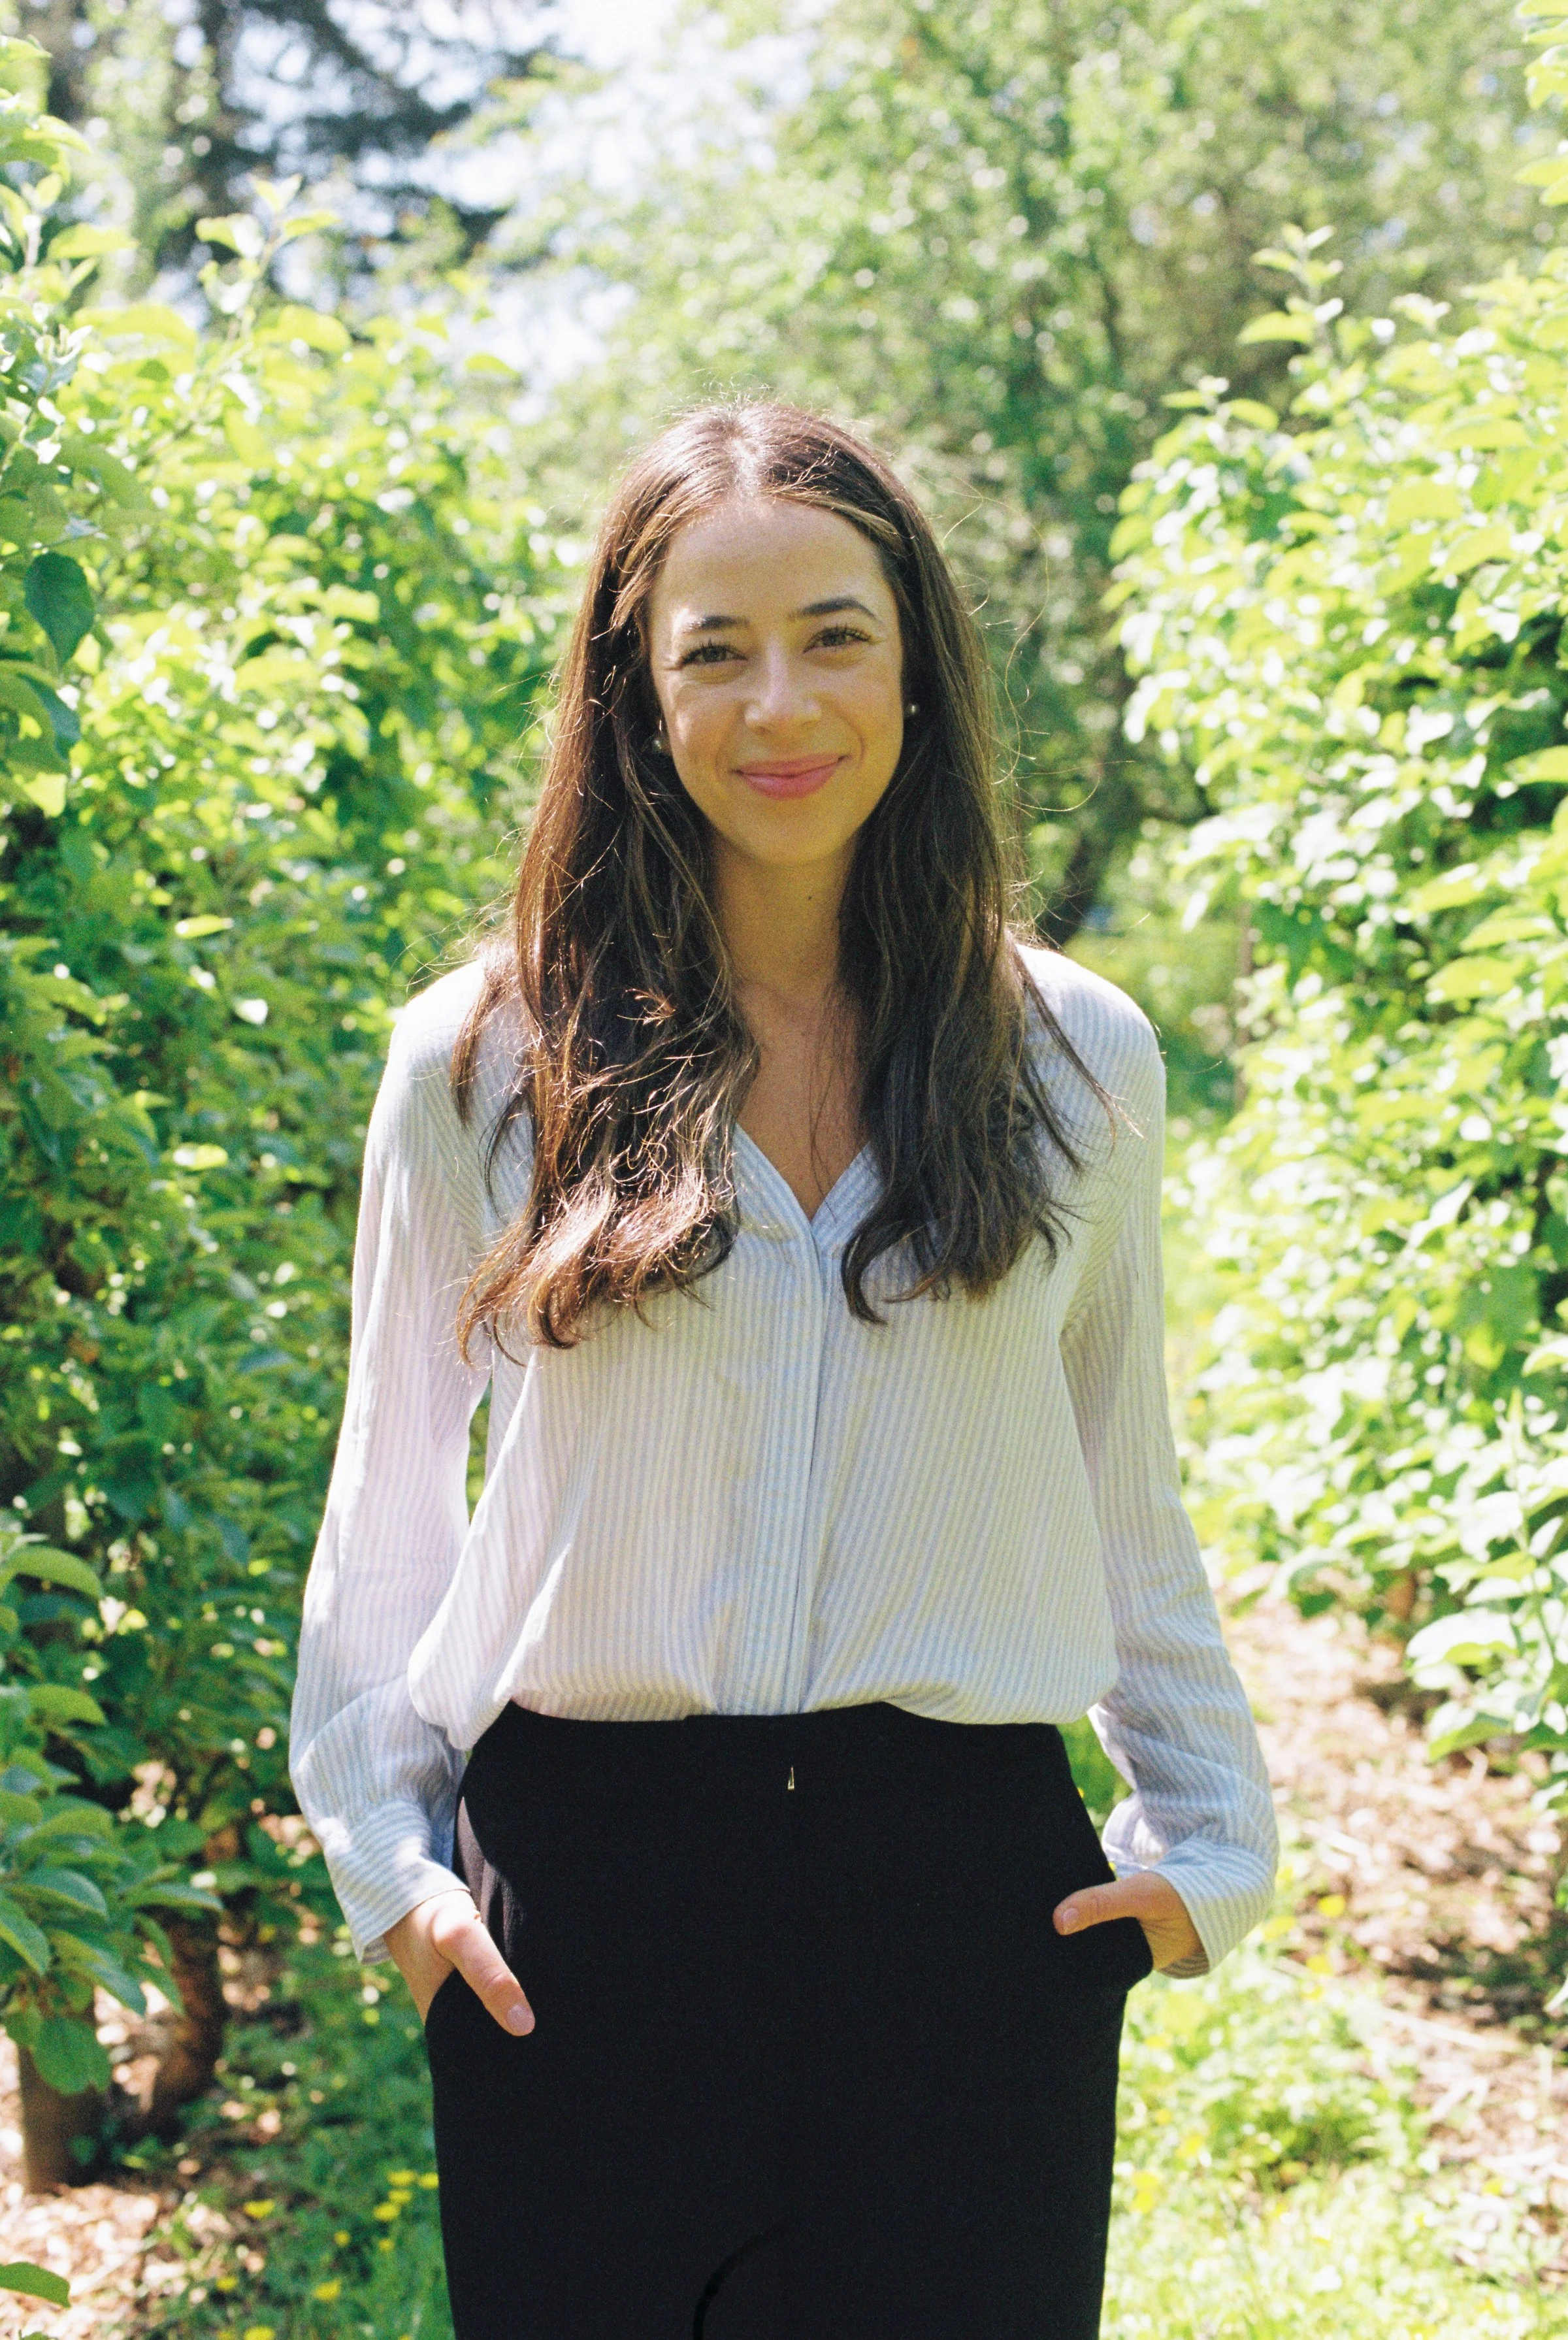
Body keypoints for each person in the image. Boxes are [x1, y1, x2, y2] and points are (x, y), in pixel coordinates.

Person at [289, 401, 1277, 2340]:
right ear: (633, 696)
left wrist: (1209, 1849)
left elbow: (1117, 1480)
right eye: (712, 651)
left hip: (964, 1907)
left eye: (834, 632)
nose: (779, 702)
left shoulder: (1076, 1060)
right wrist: (392, 1873)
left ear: (918, 661)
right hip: (587, 1905)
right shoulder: (482, 1066)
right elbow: (389, 1502)